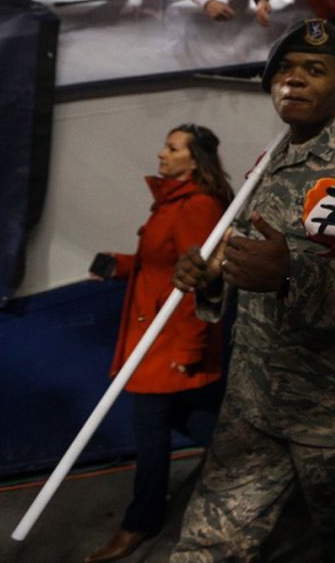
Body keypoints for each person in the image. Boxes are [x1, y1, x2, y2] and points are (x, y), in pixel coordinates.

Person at [169, 18, 335, 562]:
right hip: (254, 406)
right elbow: (244, 255)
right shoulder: (272, 159)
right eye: (284, 70)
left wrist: (289, 277)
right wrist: (211, 274)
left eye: (314, 70)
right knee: (203, 548)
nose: (296, 80)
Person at [84, 125, 233, 563]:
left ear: (195, 160)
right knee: (202, 423)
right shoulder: (173, 202)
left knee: (150, 437)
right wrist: (119, 265)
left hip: (168, 347)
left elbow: (199, 281)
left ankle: (139, 522)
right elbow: (161, 263)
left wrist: (188, 352)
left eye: (172, 148)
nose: (161, 154)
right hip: (158, 341)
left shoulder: (197, 206)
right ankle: (260, 479)